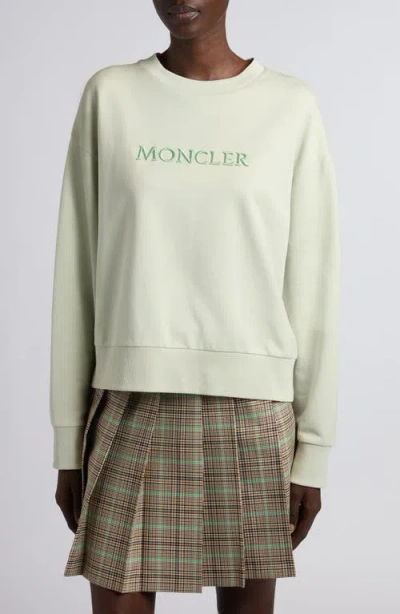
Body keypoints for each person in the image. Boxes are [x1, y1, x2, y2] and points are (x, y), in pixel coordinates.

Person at [50, 1, 341, 612]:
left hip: (254, 411)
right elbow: (77, 272)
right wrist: (67, 440)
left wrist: (313, 451)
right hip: (131, 399)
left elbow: (313, 283)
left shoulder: (290, 106)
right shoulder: (111, 96)